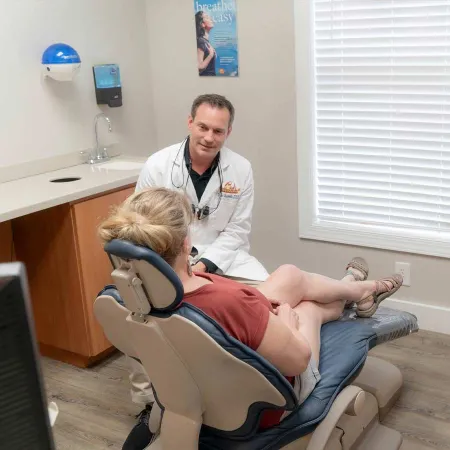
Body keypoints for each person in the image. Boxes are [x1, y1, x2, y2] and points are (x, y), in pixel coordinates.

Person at [98, 187, 403, 449]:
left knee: (290, 276)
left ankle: (358, 289)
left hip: (208, 373)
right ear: (185, 243)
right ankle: (356, 289)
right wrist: (287, 318)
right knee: (308, 307)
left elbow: (230, 311)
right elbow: (298, 361)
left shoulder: (131, 301)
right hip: (264, 404)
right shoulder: (226, 302)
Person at [136, 93, 268, 282]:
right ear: (190, 122)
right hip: (170, 259)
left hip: (225, 259)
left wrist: (204, 264)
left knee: (268, 295)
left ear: (228, 132)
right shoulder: (157, 165)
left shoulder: (241, 168)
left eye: (218, 131)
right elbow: (142, 223)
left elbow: (238, 229)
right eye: (203, 127)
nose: (209, 137)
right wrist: (179, 261)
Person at [195, 11, 216, 76]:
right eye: (207, 17)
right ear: (202, 24)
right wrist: (210, 55)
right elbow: (199, 67)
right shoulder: (201, 41)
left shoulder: (205, 41)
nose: (210, 18)